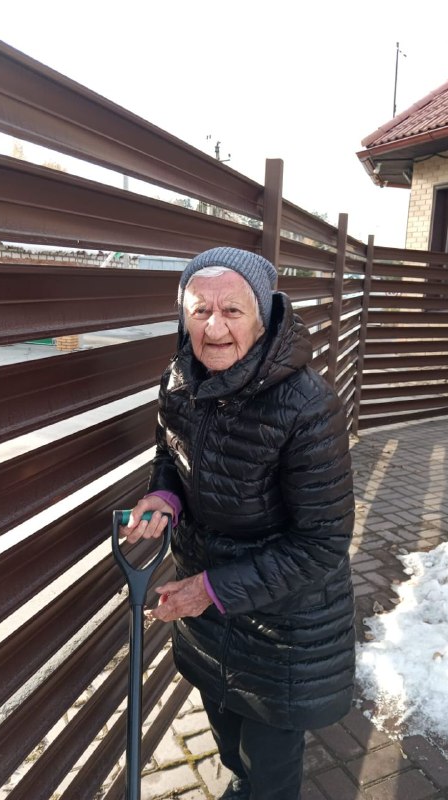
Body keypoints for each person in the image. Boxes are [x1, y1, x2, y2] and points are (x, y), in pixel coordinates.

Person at [123, 247, 355, 800]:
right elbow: (170, 452)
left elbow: (322, 543)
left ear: (264, 317)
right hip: (207, 605)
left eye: (232, 310)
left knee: (270, 759)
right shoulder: (178, 379)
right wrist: (165, 495)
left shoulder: (307, 406)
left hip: (283, 622)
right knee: (227, 731)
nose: (214, 327)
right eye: (199, 310)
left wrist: (210, 589)